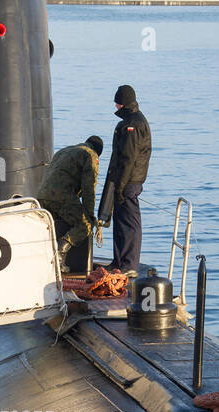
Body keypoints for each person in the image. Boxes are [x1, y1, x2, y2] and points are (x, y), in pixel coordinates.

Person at [97, 84, 152, 276]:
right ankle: (119, 261)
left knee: (129, 223)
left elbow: (128, 158)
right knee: (120, 222)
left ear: (122, 103)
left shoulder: (132, 124)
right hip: (124, 181)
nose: (115, 105)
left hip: (128, 182)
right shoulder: (132, 120)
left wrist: (120, 187)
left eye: (117, 102)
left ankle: (129, 264)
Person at [36, 135, 102, 272]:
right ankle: (59, 257)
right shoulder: (90, 155)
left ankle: (44, 260)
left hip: (42, 195)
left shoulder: (64, 150)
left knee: (54, 225)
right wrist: (89, 215)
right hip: (62, 195)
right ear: (98, 152)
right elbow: (89, 189)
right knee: (85, 225)